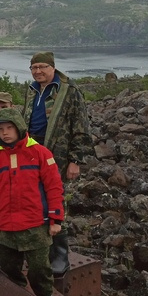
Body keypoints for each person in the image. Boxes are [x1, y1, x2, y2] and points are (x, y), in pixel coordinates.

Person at [0, 109, 64, 296]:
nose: (5, 133)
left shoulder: (40, 153)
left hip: (35, 225)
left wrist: (55, 219)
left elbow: (54, 187)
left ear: (18, 127)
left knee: (39, 270)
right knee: (9, 270)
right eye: (1, 129)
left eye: (9, 128)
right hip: (4, 227)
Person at [21, 51, 93, 273]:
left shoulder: (68, 91)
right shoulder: (32, 90)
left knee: (55, 201)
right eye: (34, 68)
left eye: (42, 67)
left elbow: (80, 127)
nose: (38, 71)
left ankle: (60, 254)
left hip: (57, 156)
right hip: (32, 154)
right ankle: (40, 249)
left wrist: (75, 160)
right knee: (34, 200)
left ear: (52, 67)